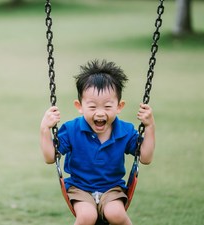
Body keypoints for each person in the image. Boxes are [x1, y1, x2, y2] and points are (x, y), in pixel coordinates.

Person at [40, 59, 155, 225]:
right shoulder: (71, 129)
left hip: (112, 188)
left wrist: (150, 126)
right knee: (87, 217)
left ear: (119, 106)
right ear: (79, 106)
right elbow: (50, 157)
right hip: (79, 188)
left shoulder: (125, 131)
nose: (100, 113)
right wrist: (44, 129)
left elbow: (146, 157)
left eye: (108, 107)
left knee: (116, 214)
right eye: (92, 107)